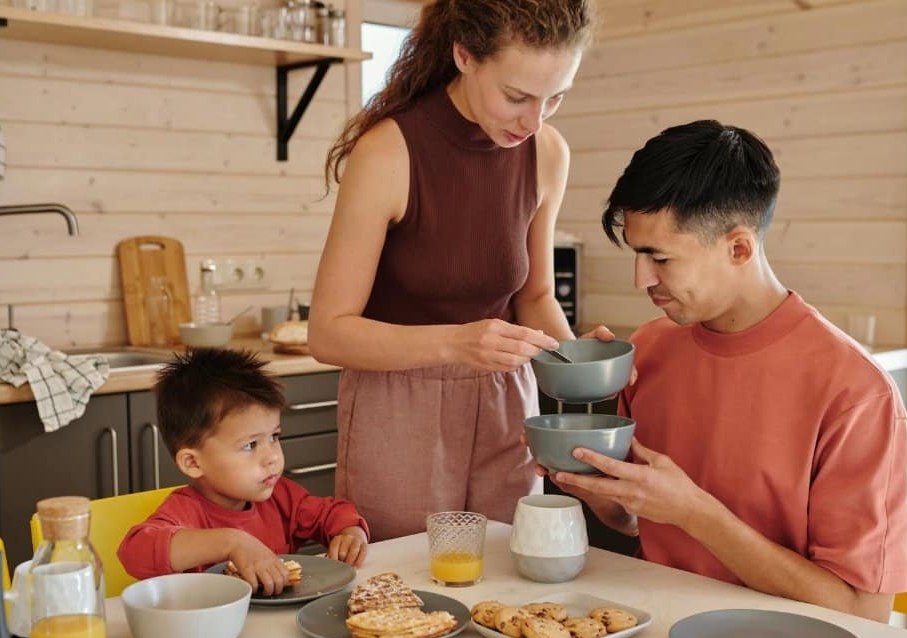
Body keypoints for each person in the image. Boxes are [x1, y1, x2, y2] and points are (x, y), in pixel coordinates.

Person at [548, 120, 907, 622]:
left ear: (738, 248)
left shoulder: (856, 393)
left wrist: (695, 513)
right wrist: (589, 471)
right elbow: (633, 523)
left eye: (660, 258)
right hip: (647, 634)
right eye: (637, 253)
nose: (641, 279)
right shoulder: (649, 349)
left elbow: (863, 613)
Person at [309, 0, 611, 541]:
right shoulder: (388, 152)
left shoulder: (547, 152)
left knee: (507, 586)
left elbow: (536, 295)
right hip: (398, 406)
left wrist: (575, 359)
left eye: (556, 97)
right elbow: (328, 333)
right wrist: (456, 344)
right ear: (465, 55)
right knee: (402, 598)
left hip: (507, 405)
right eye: (516, 96)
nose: (534, 120)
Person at [117, 348, 370, 595]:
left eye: (274, 436)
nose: (272, 456)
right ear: (193, 463)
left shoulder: (283, 497)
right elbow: (134, 550)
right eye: (250, 445)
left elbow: (333, 513)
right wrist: (232, 542)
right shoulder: (186, 512)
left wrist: (350, 532)